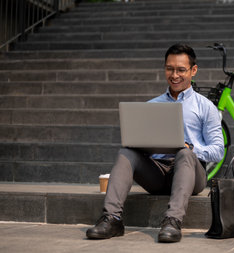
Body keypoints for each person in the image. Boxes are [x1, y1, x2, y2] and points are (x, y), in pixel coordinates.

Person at [86, 44, 224, 243]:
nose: (174, 75)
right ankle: (112, 218)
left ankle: (173, 221)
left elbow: (218, 151)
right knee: (127, 152)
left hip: (191, 175)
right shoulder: (152, 106)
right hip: (157, 173)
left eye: (181, 70)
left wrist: (191, 149)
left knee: (184, 154)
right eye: (169, 69)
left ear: (193, 71)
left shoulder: (206, 107)